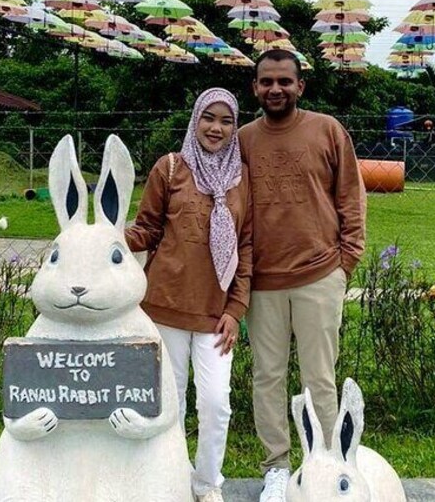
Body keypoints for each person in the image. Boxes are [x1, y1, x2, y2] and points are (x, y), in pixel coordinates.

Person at [237, 49, 367, 502]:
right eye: (266, 81)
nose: (275, 89)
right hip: (263, 281)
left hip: (318, 274)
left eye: (284, 81)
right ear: (255, 88)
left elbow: (350, 195)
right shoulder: (243, 140)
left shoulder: (327, 130)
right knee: (266, 377)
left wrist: (346, 260)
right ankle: (276, 468)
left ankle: (328, 468)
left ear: (300, 86)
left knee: (319, 377)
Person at [125, 87, 253, 502]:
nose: (216, 128)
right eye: (208, 118)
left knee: (216, 404)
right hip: (164, 306)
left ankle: (207, 483)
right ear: (195, 119)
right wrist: (105, 236)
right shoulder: (171, 168)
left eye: (226, 120)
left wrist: (235, 309)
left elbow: (246, 246)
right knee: (171, 403)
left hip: (216, 314)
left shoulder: (241, 178)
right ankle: (175, 478)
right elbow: (147, 230)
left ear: (235, 126)